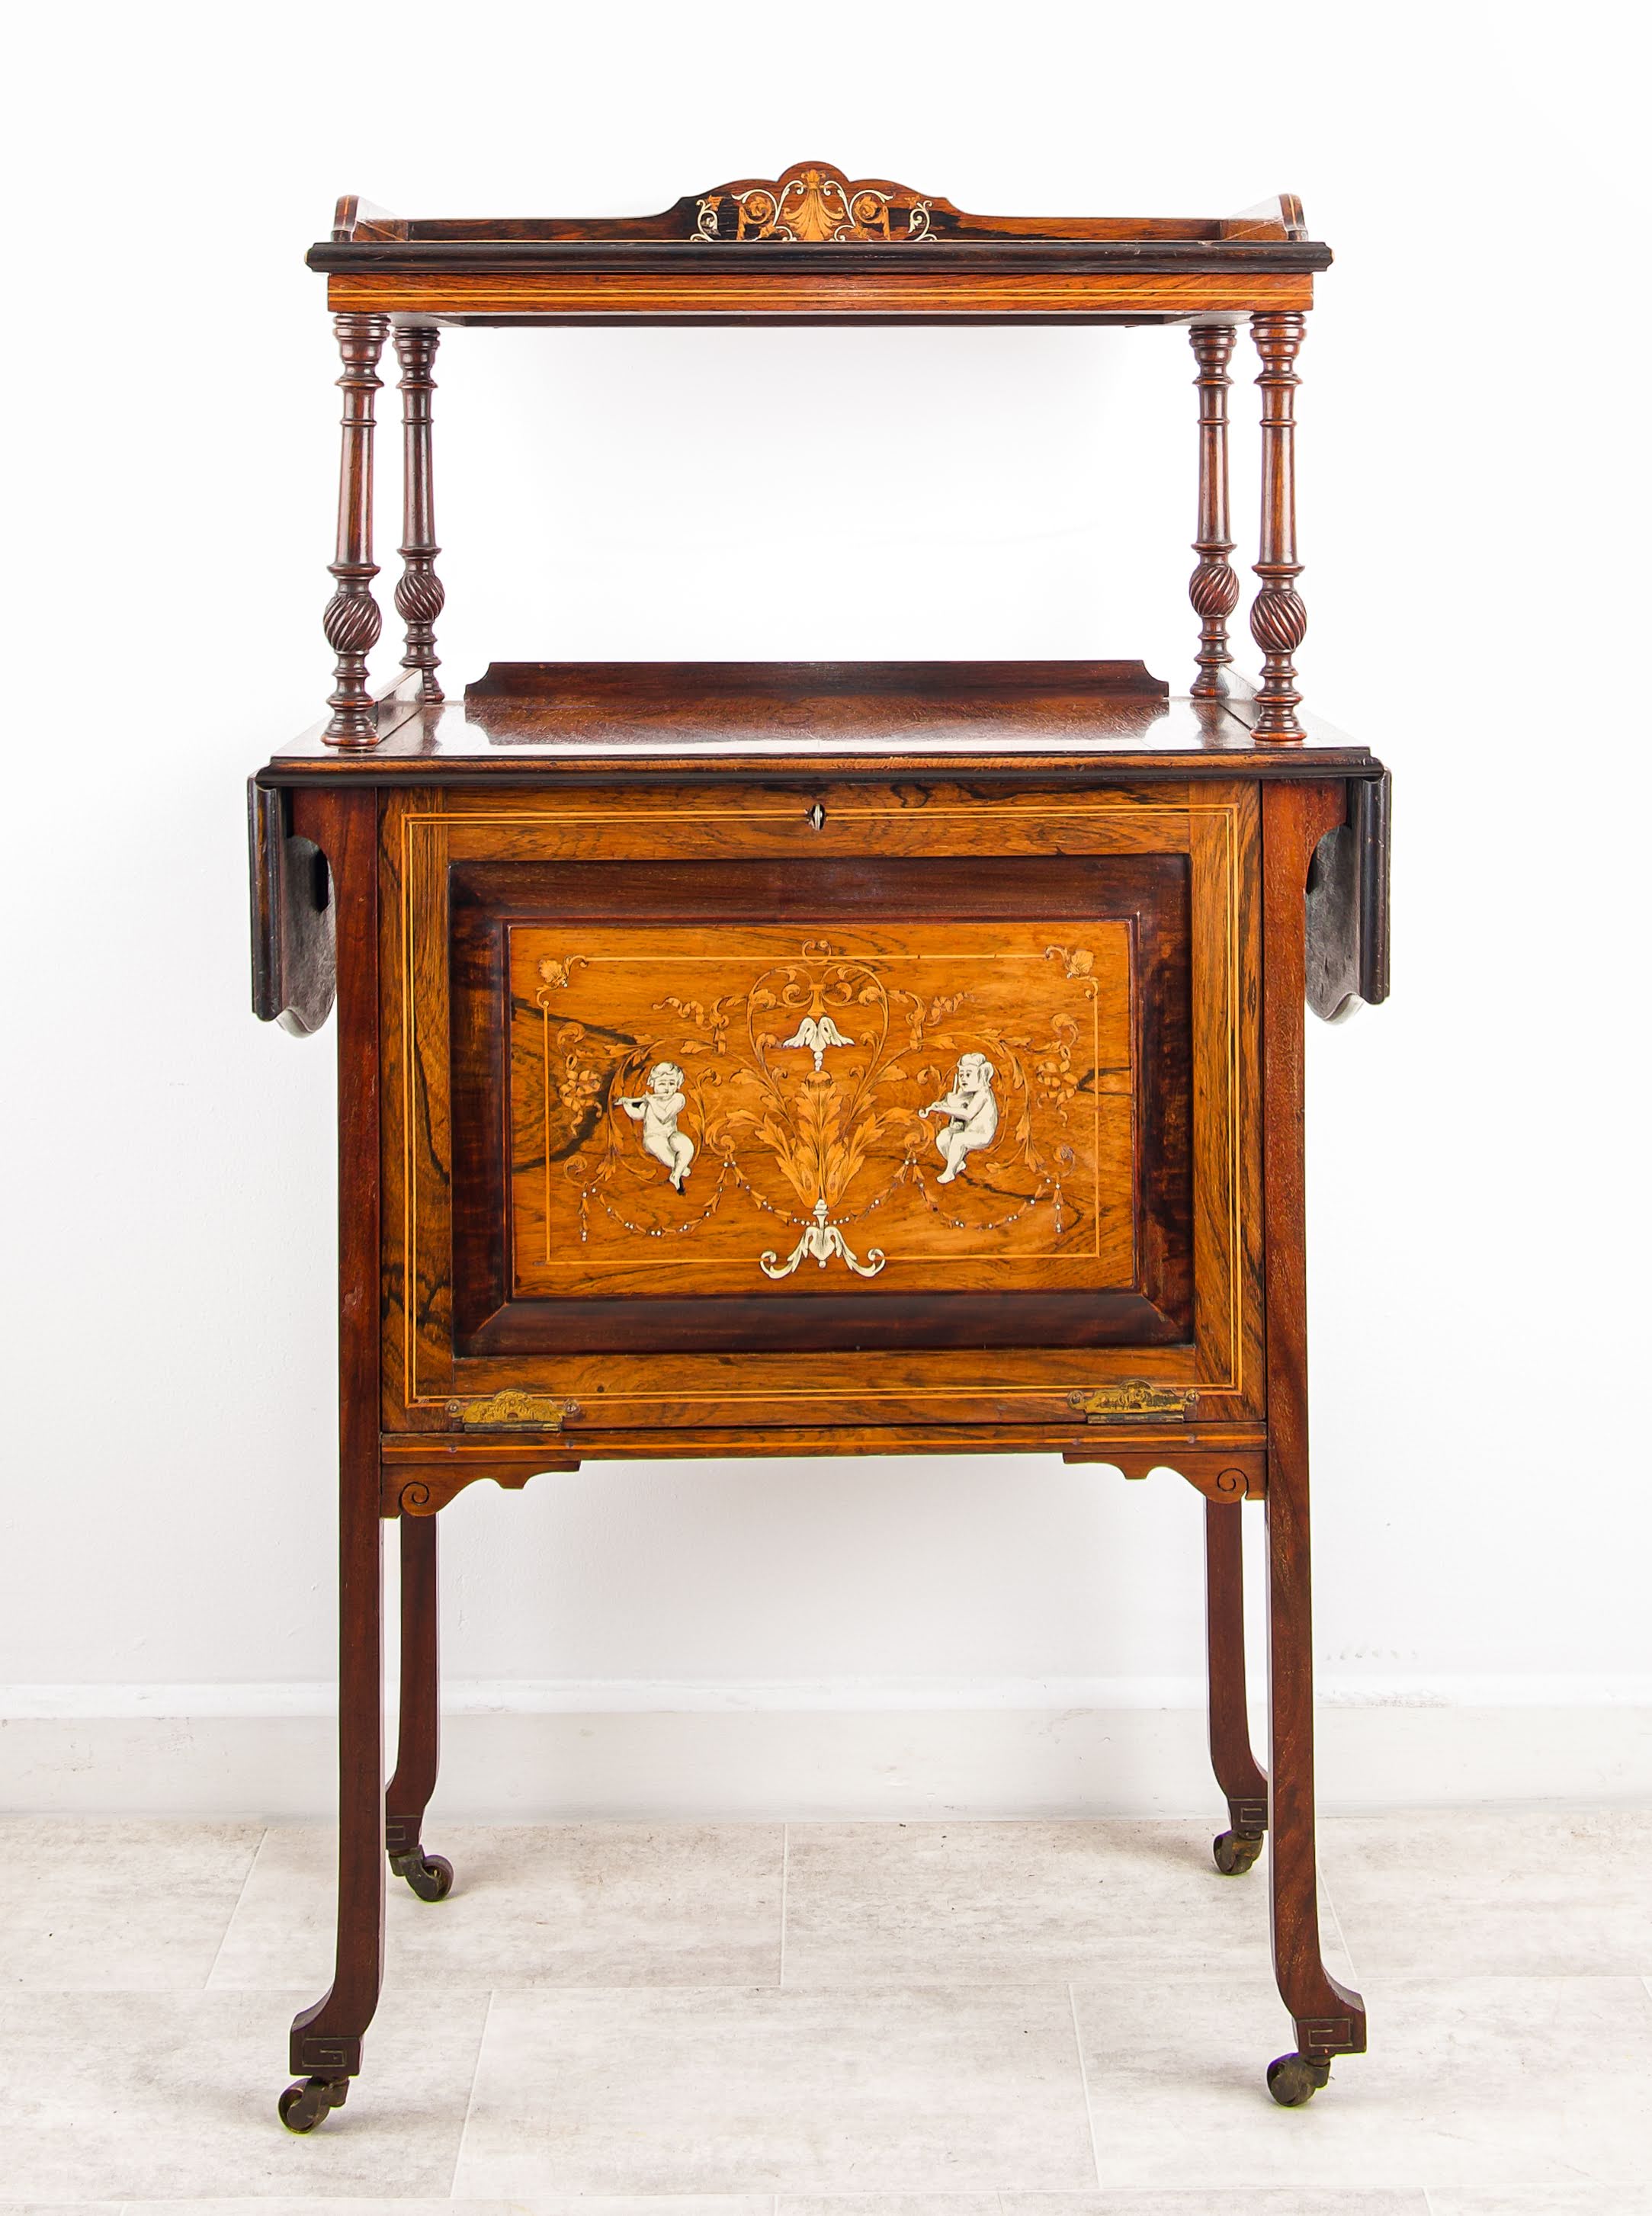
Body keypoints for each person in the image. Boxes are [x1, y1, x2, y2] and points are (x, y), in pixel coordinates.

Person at [921, 1052, 999, 1184]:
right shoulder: (968, 1093)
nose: (963, 1079)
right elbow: (958, 1109)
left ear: (982, 1075)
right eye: (961, 1075)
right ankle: (958, 1162)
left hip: (982, 1134)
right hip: (969, 1130)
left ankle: (950, 1172)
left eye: (968, 1075)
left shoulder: (983, 1093)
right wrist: (944, 1104)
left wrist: (944, 1109)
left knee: (958, 1139)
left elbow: (968, 1113)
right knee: (943, 1137)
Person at [617, 1061, 694, 1189]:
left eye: (671, 1084)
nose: (667, 1088)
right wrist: (626, 1103)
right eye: (662, 1084)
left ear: (678, 1085)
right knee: (659, 1146)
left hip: (671, 1135)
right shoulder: (650, 1102)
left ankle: (675, 1174)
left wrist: (652, 1102)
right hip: (653, 1138)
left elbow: (664, 1117)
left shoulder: (678, 1098)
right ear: (652, 1084)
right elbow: (637, 1114)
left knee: (686, 1145)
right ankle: (679, 1168)